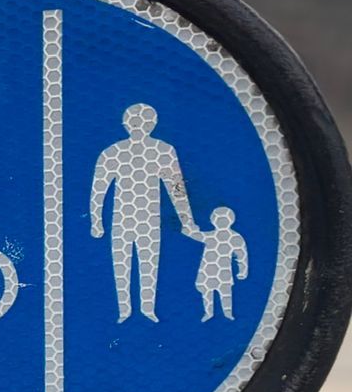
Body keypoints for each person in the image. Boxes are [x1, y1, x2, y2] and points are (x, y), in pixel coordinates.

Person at [89, 103, 198, 322]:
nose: (138, 126)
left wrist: (187, 221)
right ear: (126, 124)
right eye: (135, 122)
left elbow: (176, 189)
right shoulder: (113, 152)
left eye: (143, 122)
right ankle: (124, 311)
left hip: (150, 218)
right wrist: (96, 221)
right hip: (121, 218)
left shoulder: (163, 151)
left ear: (152, 124)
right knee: (122, 263)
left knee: (149, 263)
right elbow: (99, 189)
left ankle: (148, 310)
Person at [192, 207, 249, 320]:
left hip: (224, 272)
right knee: (207, 292)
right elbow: (196, 235)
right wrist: (190, 229)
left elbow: (241, 255)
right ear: (213, 220)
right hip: (207, 270)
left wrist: (243, 270)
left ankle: (228, 314)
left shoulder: (235, 237)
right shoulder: (211, 235)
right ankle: (208, 313)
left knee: (225, 292)